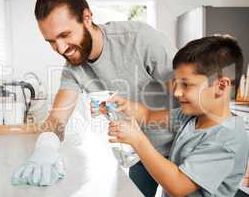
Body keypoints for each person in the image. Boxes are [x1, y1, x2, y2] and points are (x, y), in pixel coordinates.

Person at [34, 0, 176, 195]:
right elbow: (57, 119)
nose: (61, 48)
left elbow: (196, 104)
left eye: (65, 35)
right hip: (140, 151)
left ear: (86, 17)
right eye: (51, 41)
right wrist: (46, 146)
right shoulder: (73, 69)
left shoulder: (141, 40)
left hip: (182, 147)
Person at [107, 35, 249, 196]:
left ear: (221, 87)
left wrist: (138, 140)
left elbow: (178, 186)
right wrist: (123, 105)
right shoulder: (190, 116)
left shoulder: (227, 138)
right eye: (177, 83)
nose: (176, 92)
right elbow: (147, 116)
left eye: (186, 85)